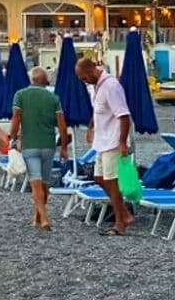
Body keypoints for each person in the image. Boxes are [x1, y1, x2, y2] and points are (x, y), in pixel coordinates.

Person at [75, 57, 132, 237]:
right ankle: (124, 213)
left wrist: (122, 142)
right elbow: (97, 110)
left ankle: (120, 222)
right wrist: (91, 127)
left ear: (92, 71)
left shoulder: (111, 86)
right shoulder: (95, 87)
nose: (84, 82)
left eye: (84, 78)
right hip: (102, 140)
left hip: (113, 141)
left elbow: (124, 116)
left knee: (111, 181)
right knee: (99, 178)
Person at [8, 67, 69, 230]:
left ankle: (45, 219)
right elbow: (62, 127)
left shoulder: (20, 95)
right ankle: (37, 216)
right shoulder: (53, 98)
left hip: (29, 144)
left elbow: (16, 119)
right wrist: (64, 147)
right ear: (45, 81)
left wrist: (13, 138)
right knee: (44, 184)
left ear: (32, 80)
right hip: (48, 145)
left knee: (35, 183)